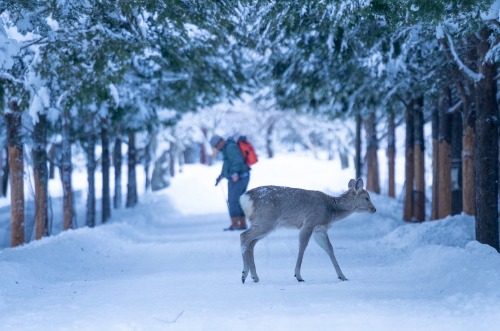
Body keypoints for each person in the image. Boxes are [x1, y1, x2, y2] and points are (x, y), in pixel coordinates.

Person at [210, 135, 250, 231]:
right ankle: (241, 224)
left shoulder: (230, 147)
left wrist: (235, 173)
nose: (217, 149)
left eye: (216, 146)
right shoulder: (227, 148)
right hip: (240, 176)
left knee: (233, 200)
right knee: (239, 200)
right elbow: (227, 164)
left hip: (239, 177)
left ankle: (236, 223)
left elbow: (237, 160)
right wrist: (222, 175)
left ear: (220, 142)